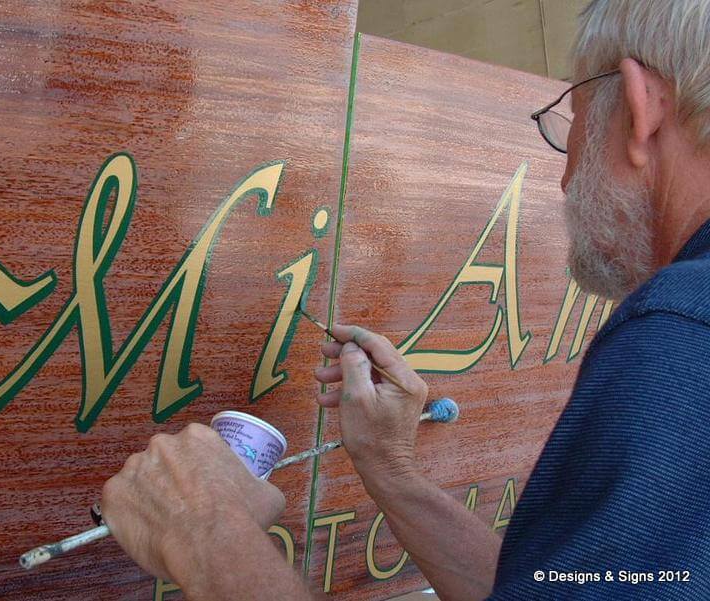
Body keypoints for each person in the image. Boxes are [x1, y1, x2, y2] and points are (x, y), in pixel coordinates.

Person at [100, 1, 710, 598]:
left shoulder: (680, 332)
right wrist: (389, 466)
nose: (564, 176)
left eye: (570, 132)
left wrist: (209, 538)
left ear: (640, 111)